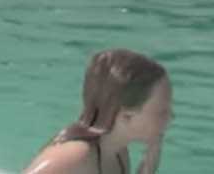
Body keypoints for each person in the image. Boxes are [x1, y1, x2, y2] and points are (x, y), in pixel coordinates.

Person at [22, 49, 170, 174]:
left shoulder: (117, 153)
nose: (170, 117)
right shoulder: (74, 157)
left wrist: (150, 163)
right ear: (126, 116)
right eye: (161, 111)